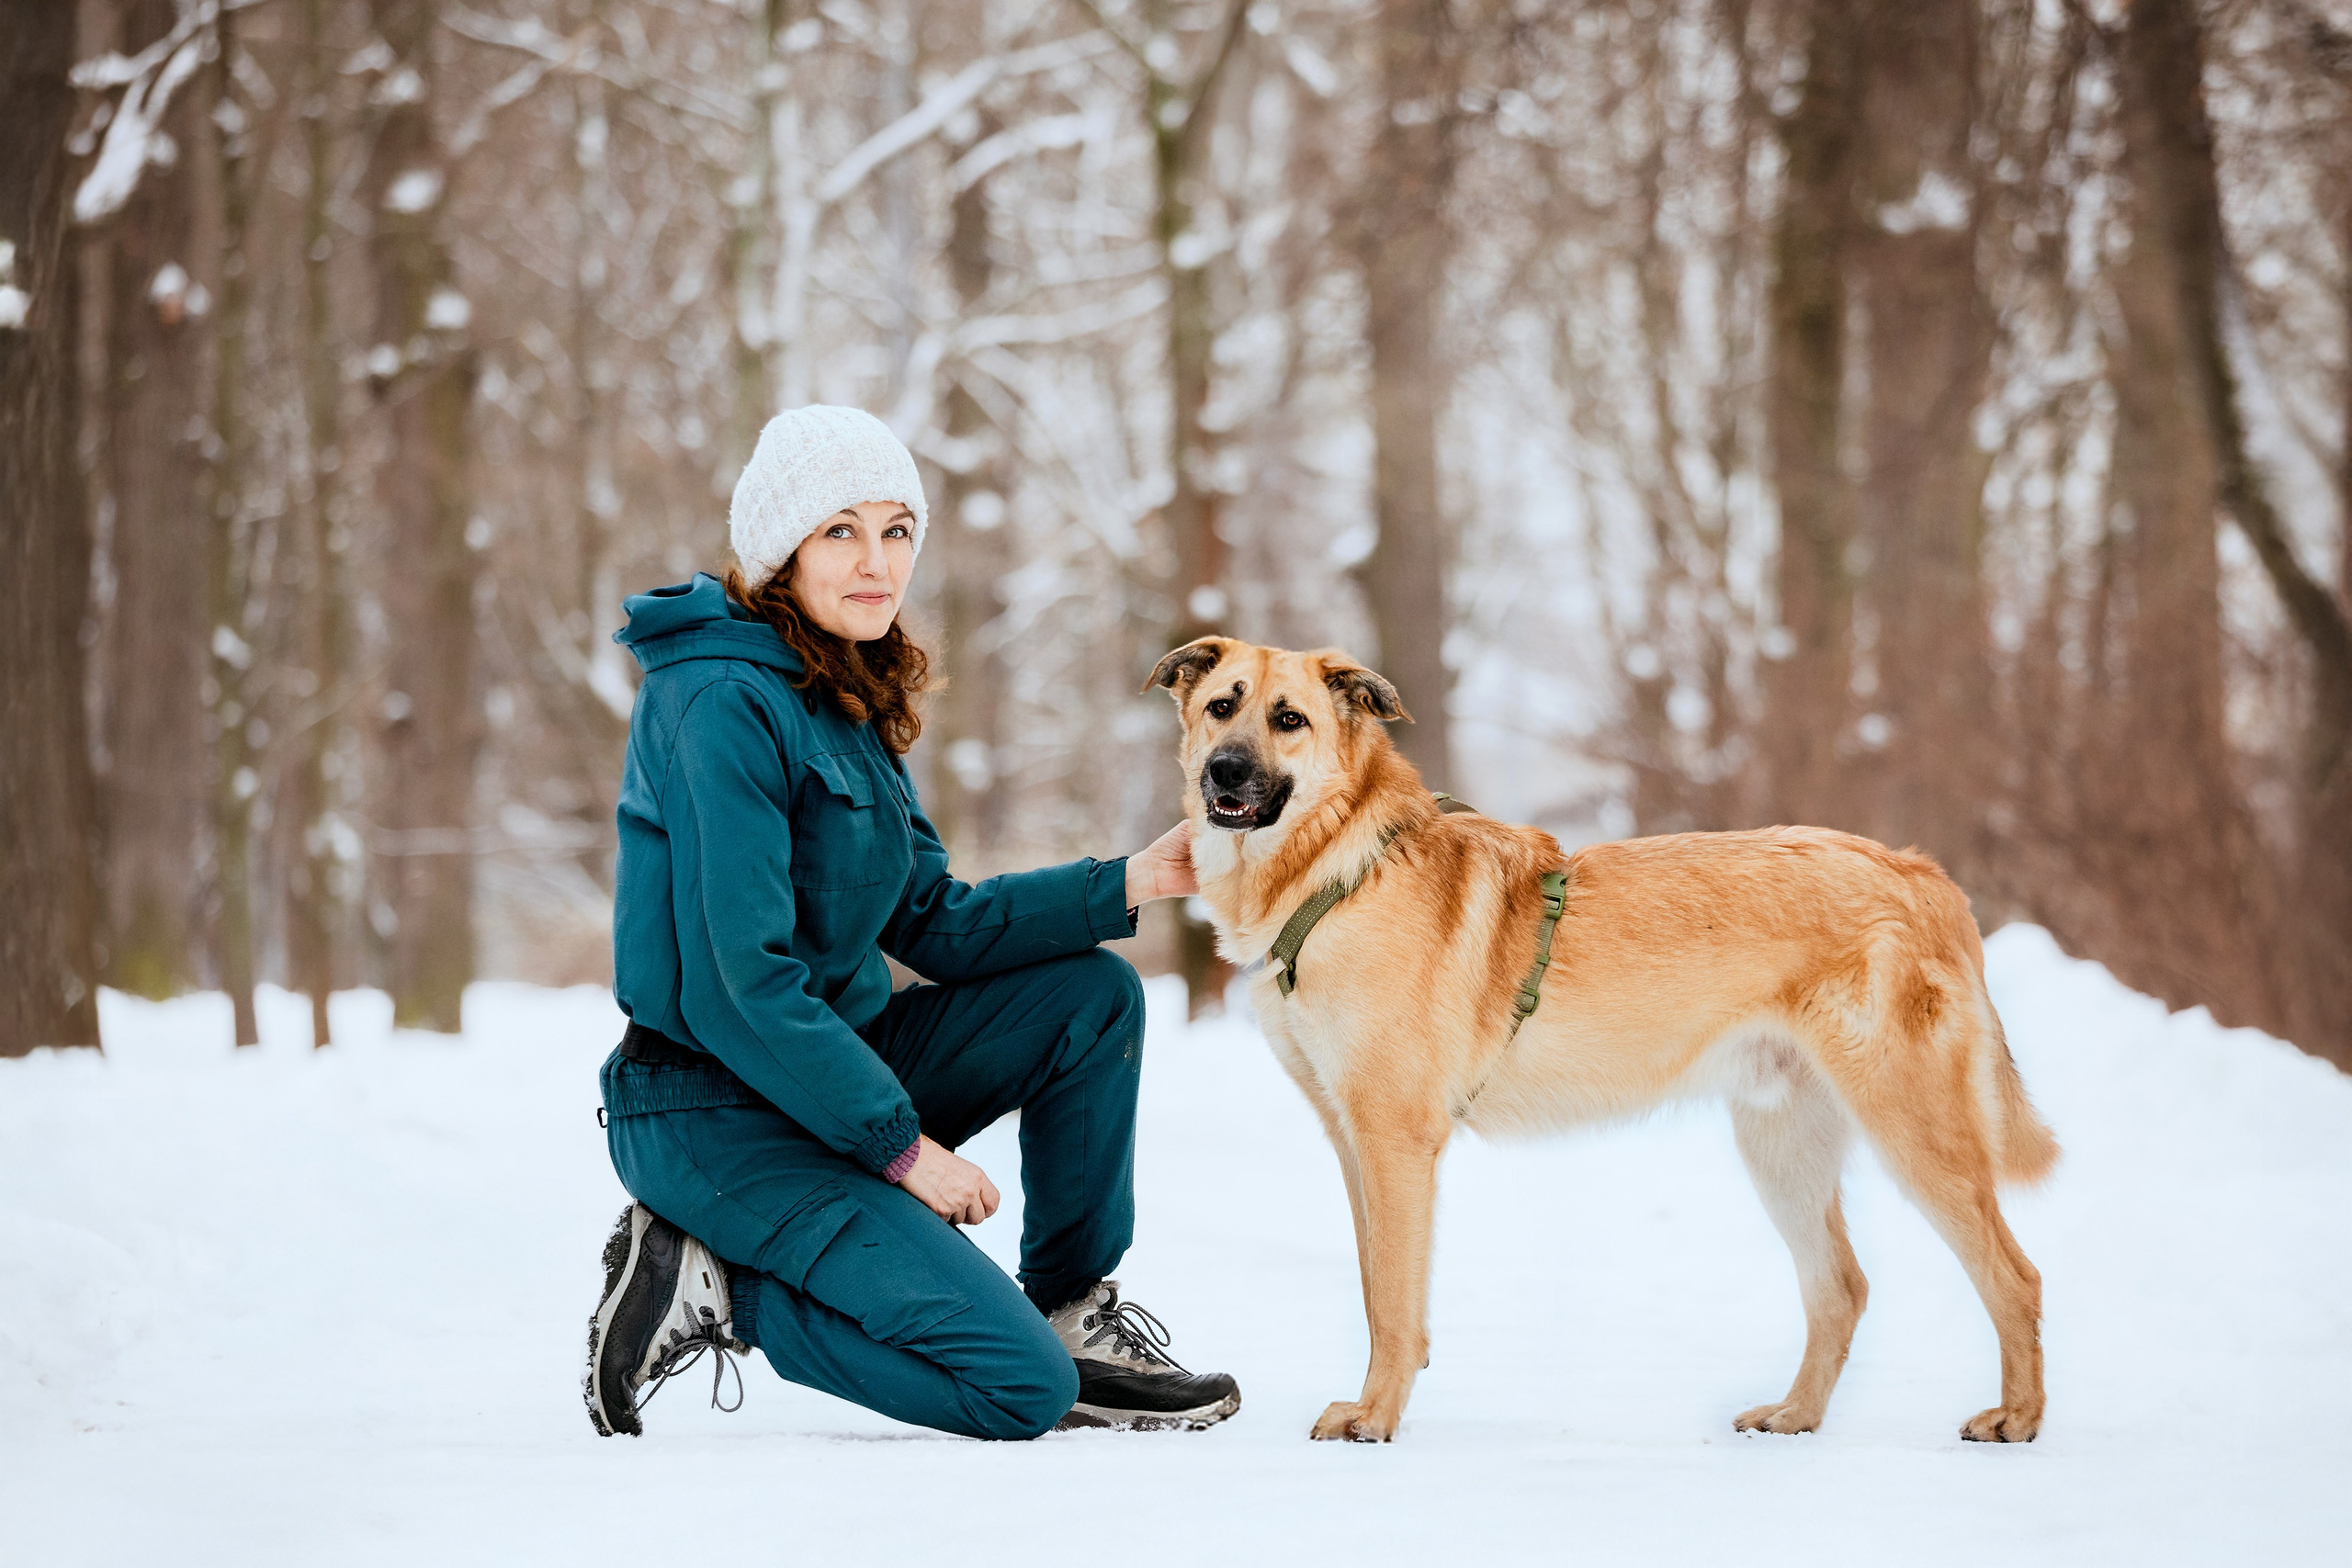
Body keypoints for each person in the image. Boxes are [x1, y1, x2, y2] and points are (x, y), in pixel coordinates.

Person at [582, 405, 1238, 1441]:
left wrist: (1134, 879)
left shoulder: (837, 691)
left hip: (820, 1078)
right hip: (712, 1112)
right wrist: (905, 1151)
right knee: (1018, 1390)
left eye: (896, 530)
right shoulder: (717, 701)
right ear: (781, 548)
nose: (877, 561)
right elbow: (736, 986)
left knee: (1092, 997)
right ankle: (716, 1286)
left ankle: (1069, 1310)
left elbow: (933, 921)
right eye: (840, 530)